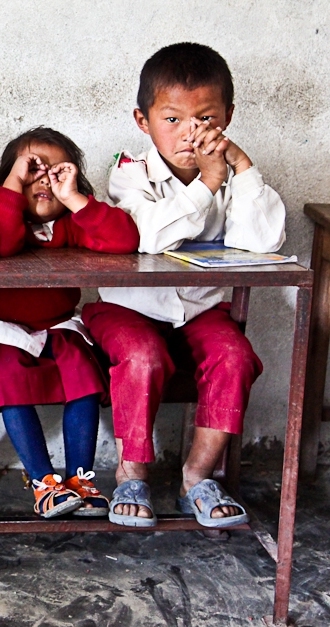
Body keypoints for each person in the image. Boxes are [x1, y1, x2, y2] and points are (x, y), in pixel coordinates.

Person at [82, 42, 286, 528]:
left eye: (205, 119)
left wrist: (239, 167)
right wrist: (206, 185)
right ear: (142, 120)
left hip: (200, 311)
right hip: (127, 309)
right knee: (142, 355)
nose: (190, 133)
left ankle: (199, 475)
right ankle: (133, 473)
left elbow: (260, 244)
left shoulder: (235, 175)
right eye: (172, 119)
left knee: (234, 356)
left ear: (228, 117)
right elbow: (146, 237)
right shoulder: (129, 173)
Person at [0, 127, 139, 518]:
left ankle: (81, 478)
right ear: (9, 178)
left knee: (84, 376)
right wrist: (14, 184)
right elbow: (2, 244)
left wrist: (75, 199)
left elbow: (123, 240)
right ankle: (42, 482)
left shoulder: (71, 221)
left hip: (58, 324)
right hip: (0, 328)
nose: (43, 180)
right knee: (9, 381)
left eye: (55, 173)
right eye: (31, 170)